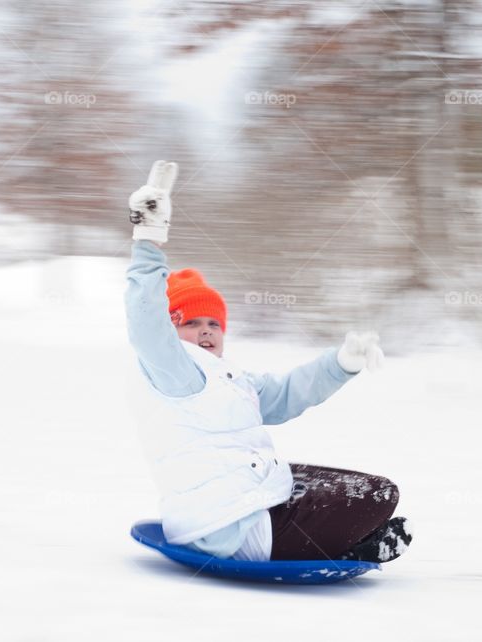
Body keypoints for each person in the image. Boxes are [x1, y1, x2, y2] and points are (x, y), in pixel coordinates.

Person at [124, 160, 412, 563]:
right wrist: (148, 240)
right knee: (380, 494)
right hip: (231, 528)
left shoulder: (228, 380)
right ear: (171, 330)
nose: (206, 331)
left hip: (227, 514)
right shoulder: (174, 370)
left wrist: (341, 362)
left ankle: (346, 538)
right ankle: (347, 544)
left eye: (213, 323)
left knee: (319, 479)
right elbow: (146, 323)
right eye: (191, 322)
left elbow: (288, 393)